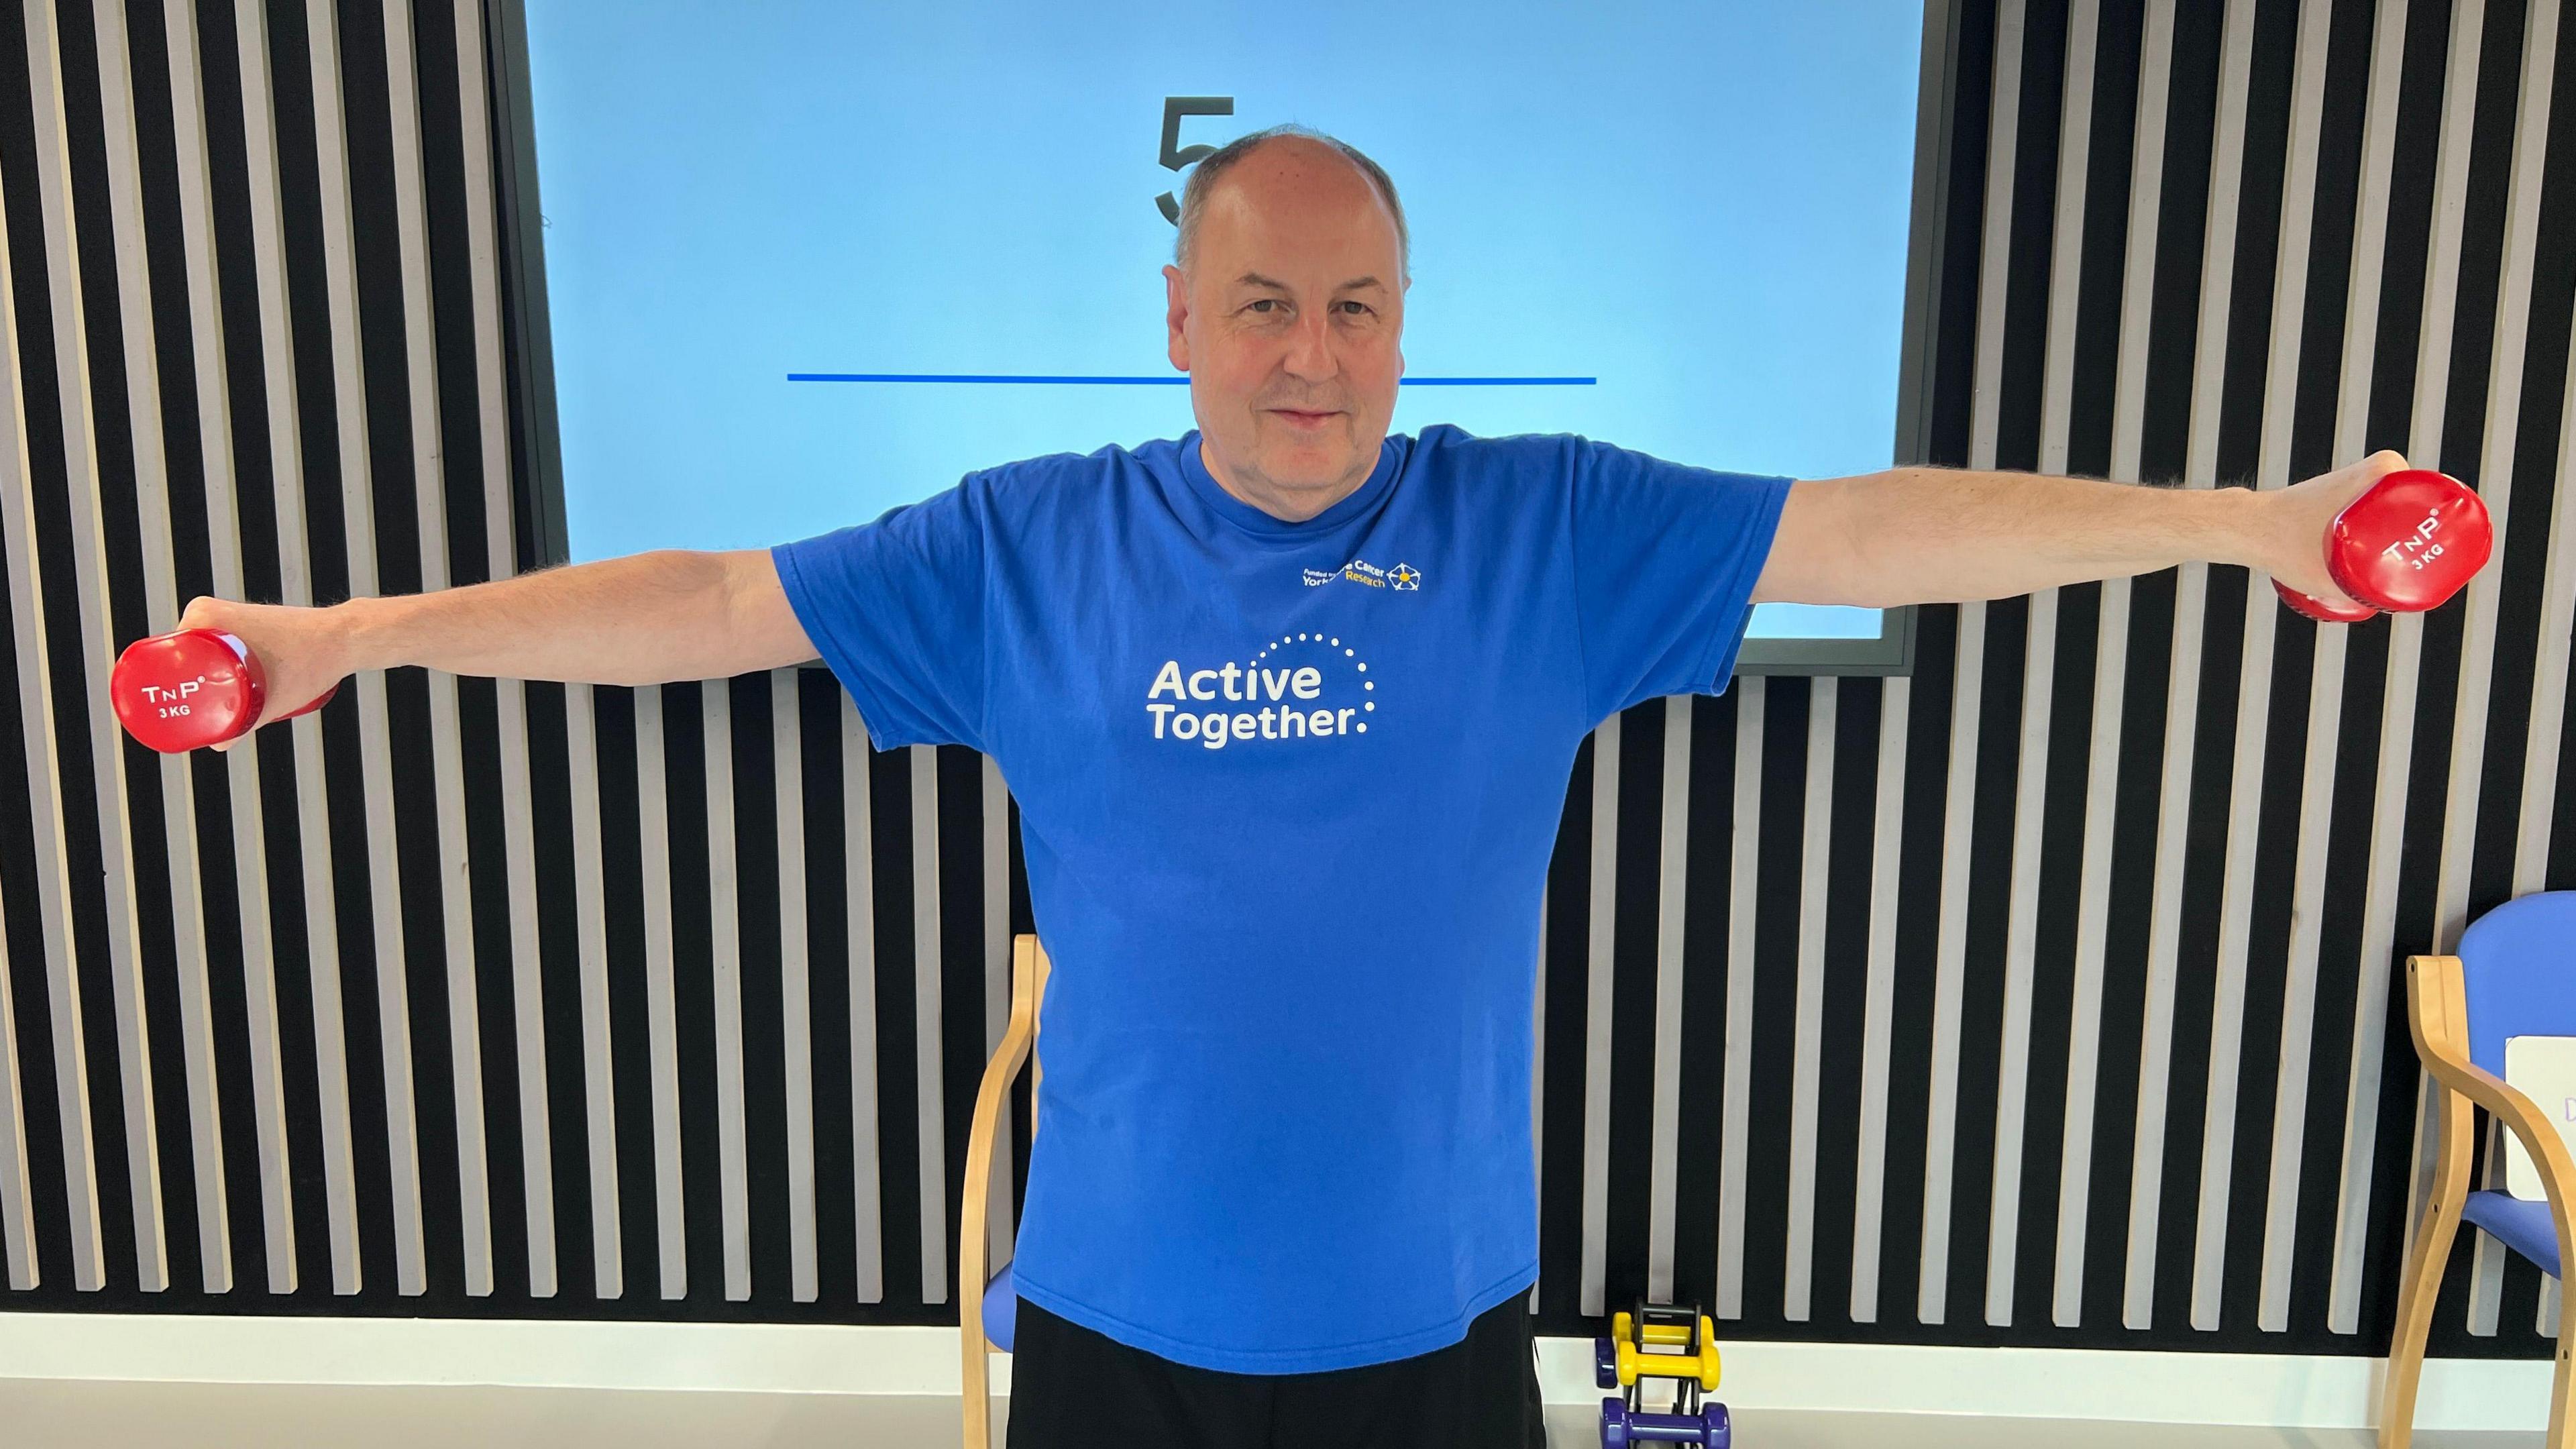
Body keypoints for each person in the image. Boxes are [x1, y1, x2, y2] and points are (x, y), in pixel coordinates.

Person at [179, 123, 2408, 1448]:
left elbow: (1874, 524)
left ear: (1406, 318)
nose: (1311, 355)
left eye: (1356, 306)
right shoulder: (1024, 543)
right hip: (1116, 1329)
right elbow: (703, 600)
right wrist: (353, 643)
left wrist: (2238, 522)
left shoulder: (1544, 529)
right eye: (1261, 304)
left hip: (1436, 1331)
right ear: (1175, 315)